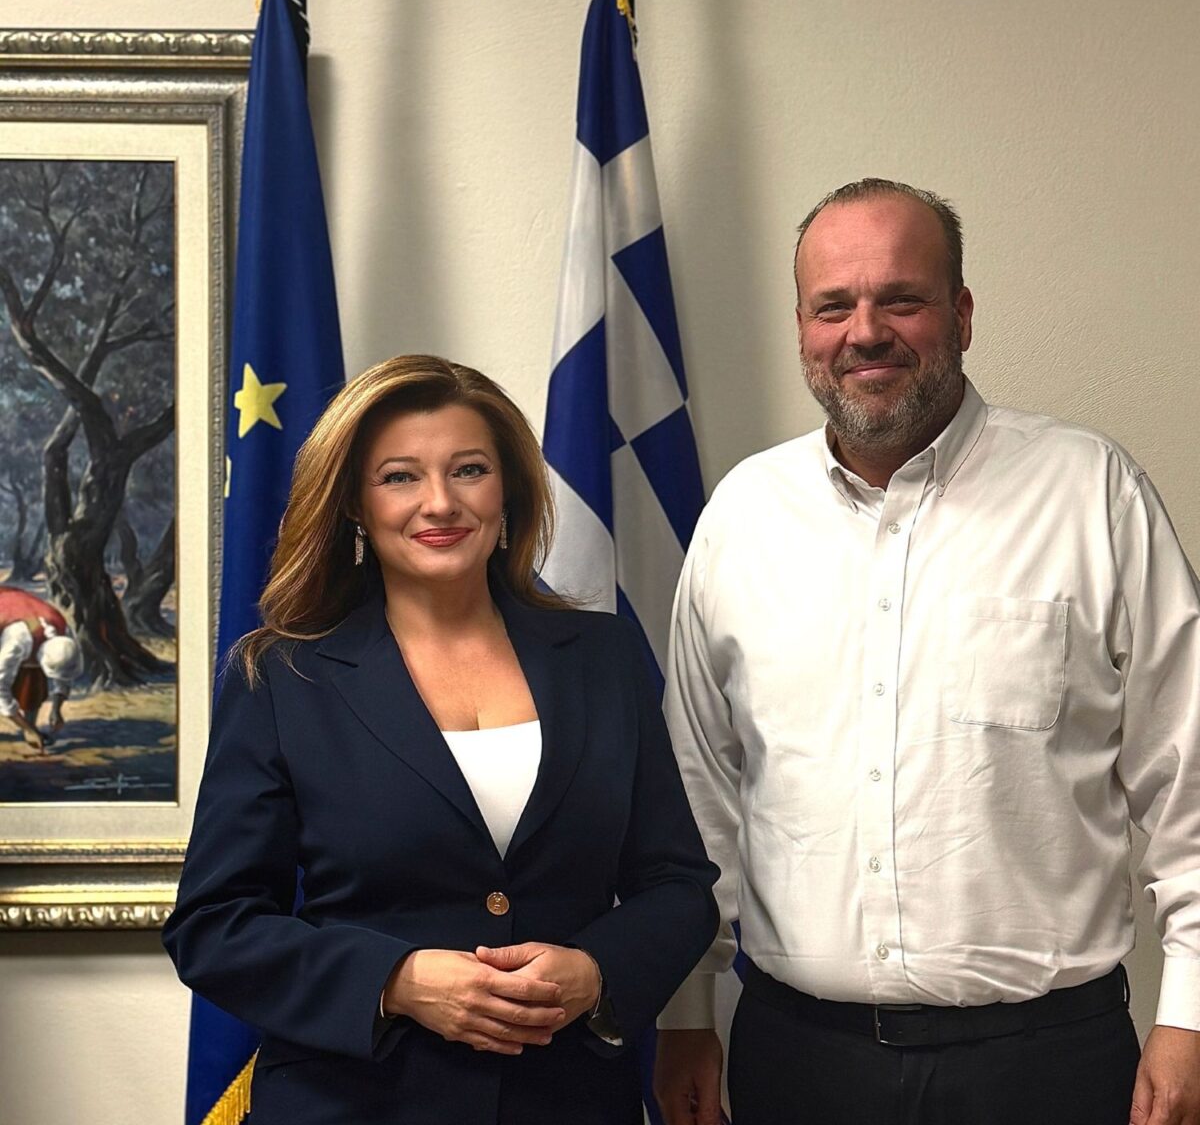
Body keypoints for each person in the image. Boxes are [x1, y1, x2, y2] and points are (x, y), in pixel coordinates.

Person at [653, 179, 1200, 1125]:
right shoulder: (742, 517)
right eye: (833, 306)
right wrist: (686, 1010)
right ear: (802, 328)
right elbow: (699, 794)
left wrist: (1189, 1015)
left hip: (1046, 1067)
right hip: (796, 1063)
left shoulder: (1092, 495)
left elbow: (1186, 771)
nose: (864, 332)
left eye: (901, 299)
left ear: (962, 313)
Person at [163, 355, 718, 1125]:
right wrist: (397, 981)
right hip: (352, 1105)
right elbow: (214, 926)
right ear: (354, 504)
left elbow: (677, 885)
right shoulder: (282, 677)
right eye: (399, 477)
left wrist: (597, 972)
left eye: (469, 470)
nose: (440, 502)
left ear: (507, 489)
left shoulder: (605, 657)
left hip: (568, 1101)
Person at [0, 586, 83, 752]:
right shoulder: (19, 638)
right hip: (6, 610)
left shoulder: (64, 636)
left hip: (20, 616)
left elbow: (64, 676)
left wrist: (56, 709)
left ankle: (30, 725)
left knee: (33, 680)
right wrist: (27, 729)